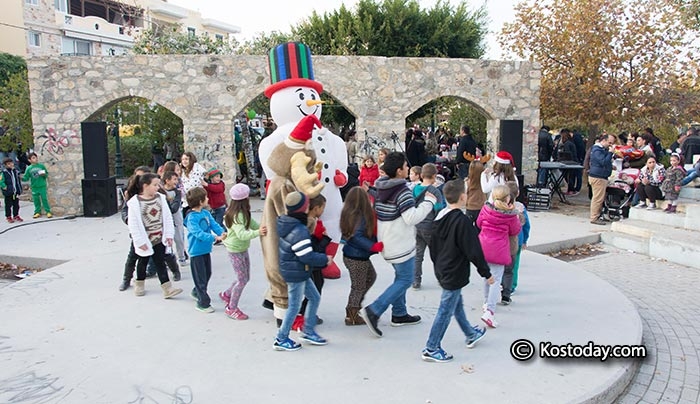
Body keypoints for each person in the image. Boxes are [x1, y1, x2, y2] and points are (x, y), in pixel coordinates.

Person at [359, 152, 436, 338]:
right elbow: (411, 218)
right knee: (405, 279)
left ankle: (399, 314)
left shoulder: (382, 187)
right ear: (399, 171)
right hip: (400, 243)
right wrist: (429, 202)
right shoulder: (402, 191)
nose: (408, 168)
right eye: (405, 166)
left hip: (387, 241)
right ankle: (374, 310)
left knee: (400, 276)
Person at [421, 179, 493, 363]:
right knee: (446, 309)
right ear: (463, 197)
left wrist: (437, 267)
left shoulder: (439, 217)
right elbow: (474, 250)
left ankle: (470, 333)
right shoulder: (463, 222)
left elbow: (433, 246)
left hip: (443, 269)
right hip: (454, 271)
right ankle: (432, 347)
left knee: (455, 303)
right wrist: (486, 273)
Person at [274, 191, 331, 351]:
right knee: (294, 306)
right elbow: (306, 256)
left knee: (314, 297)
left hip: (297, 269)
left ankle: (308, 330)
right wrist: (325, 259)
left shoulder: (288, 222)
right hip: (296, 271)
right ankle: (281, 338)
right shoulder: (299, 229)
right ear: (304, 208)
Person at [125, 173, 182, 299]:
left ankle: (167, 288)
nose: (158, 187)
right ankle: (139, 283)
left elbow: (167, 217)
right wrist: (139, 241)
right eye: (155, 185)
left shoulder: (160, 198)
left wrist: (168, 235)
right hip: (145, 239)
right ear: (145, 186)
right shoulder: (134, 203)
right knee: (142, 262)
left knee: (160, 261)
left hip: (159, 237)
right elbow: (133, 224)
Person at [476, 185, 521, 328]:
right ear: (507, 198)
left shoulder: (485, 209)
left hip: (483, 246)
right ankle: (490, 311)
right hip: (499, 249)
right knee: (496, 280)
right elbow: (515, 231)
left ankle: (485, 302)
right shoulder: (511, 215)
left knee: (486, 276)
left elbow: (478, 223)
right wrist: (517, 215)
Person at [219, 183, 266, 320]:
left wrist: (263, 227)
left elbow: (252, 224)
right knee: (242, 280)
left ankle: (227, 294)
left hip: (242, 248)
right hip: (235, 250)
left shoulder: (243, 213)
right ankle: (231, 308)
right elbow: (242, 234)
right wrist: (258, 232)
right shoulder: (236, 215)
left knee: (244, 277)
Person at [340, 187, 381, 326]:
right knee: (358, 286)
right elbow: (356, 236)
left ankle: (355, 306)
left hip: (353, 254)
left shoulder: (349, 212)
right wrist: (372, 246)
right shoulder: (359, 215)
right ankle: (351, 315)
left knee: (370, 277)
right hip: (357, 256)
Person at [184, 187, 227, 313]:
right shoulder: (191, 218)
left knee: (207, 273)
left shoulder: (206, 213)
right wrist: (214, 238)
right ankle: (203, 303)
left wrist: (223, 233)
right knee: (200, 278)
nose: (208, 199)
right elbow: (198, 233)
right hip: (196, 251)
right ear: (200, 201)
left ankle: (196, 291)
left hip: (206, 250)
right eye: (206, 197)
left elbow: (214, 225)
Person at [118, 166, 151, 291]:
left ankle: (155, 273)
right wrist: (129, 220)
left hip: (153, 230)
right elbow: (125, 210)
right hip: (138, 230)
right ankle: (126, 279)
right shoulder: (131, 193)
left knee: (160, 254)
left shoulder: (154, 191)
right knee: (133, 255)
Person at [412, 163, 445, 290]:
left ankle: (416, 280)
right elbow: (439, 208)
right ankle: (441, 277)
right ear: (434, 176)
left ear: (421, 175)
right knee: (437, 253)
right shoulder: (434, 191)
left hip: (417, 224)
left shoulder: (415, 189)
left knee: (418, 254)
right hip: (430, 225)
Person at [501, 181, 530, 304]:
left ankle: (502, 282)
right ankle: (511, 285)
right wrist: (525, 240)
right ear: (518, 193)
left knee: (502, 263)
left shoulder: (500, 206)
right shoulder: (521, 208)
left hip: (503, 240)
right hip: (517, 240)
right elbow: (526, 226)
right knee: (514, 264)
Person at [160, 161, 188, 265]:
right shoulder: (161, 191)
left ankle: (181, 256)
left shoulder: (177, 191)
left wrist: (169, 209)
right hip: (165, 218)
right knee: (167, 238)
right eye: (174, 179)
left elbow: (176, 205)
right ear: (167, 180)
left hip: (176, 216)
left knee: (179, 237)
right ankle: (169, 259)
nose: (177, 181)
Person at [588, 134, 614, 225]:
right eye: (609, 143)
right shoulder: (597, 150)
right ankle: (594, 217)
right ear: (603, 140)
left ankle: (598, 215)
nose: (610, 145)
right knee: (597, 199)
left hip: (601, 175)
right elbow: (603, 161)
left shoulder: (601, 150)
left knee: (599, 198)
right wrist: (610, 153)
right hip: (598, 176)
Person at [22, 152, 52, 218]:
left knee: (44, 199)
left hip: (42, 185)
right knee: (36, 200)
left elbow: (46, 175)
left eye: (35, 157)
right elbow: (26, 177)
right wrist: (21, 177)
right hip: (34, 186)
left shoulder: (41, 166)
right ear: (29, 160)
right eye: (33, 158)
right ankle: (37, 212)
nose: (35, 159)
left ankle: (48, 212)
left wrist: (44, 175)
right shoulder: (29, 168)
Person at [465, 159, 487, 224]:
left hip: (470, 207)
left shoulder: (468, 182)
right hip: (481, 207)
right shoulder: (484, 182)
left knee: (468, 228)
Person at [1, 157, 22, 223]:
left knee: (16, 205)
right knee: (8, 205)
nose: (11, 165)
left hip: (15, 192)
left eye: (11, 163)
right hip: (8, 192)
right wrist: (4, 186)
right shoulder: (4, 173)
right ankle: (8, 216)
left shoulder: (15, 171)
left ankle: (16, 215)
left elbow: (18, 181)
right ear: (5, 165)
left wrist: (19, 189)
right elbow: (1, 181)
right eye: (8, 164)